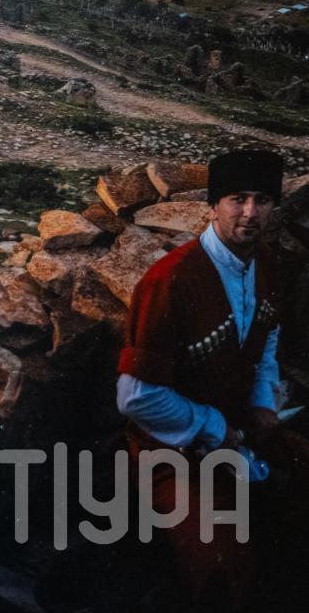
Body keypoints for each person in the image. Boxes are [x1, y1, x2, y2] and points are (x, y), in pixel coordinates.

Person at [117, 148, 306, 611]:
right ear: (214, 205)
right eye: (237, 198)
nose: (250, 212)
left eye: (263, 199)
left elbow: (267, 337)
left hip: (242, 425)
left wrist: (262, 401)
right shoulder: (170, 280)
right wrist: (215, 427)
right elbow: (136, 397)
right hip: (170, 450)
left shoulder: (265, 264)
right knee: (224, 566)